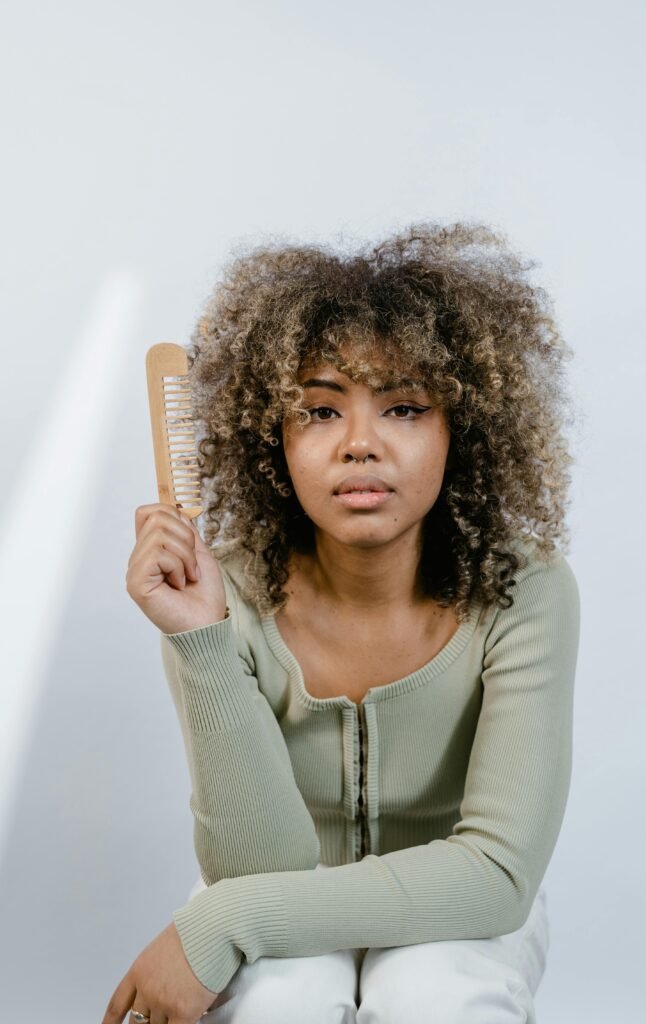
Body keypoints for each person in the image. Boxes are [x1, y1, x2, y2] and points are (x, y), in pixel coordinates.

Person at [105, 222, 580, 1024]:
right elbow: (259, 866)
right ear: (273, 438)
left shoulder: (522, 589)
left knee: (438, 996)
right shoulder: (226, 591)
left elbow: (497, 875)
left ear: (457, 429)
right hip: (276, 885)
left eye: (402, 406)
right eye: (320, 412)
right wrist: (201, 639)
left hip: (457, 904)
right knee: (272, 1004)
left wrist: (220, 923)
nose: (359, 445)